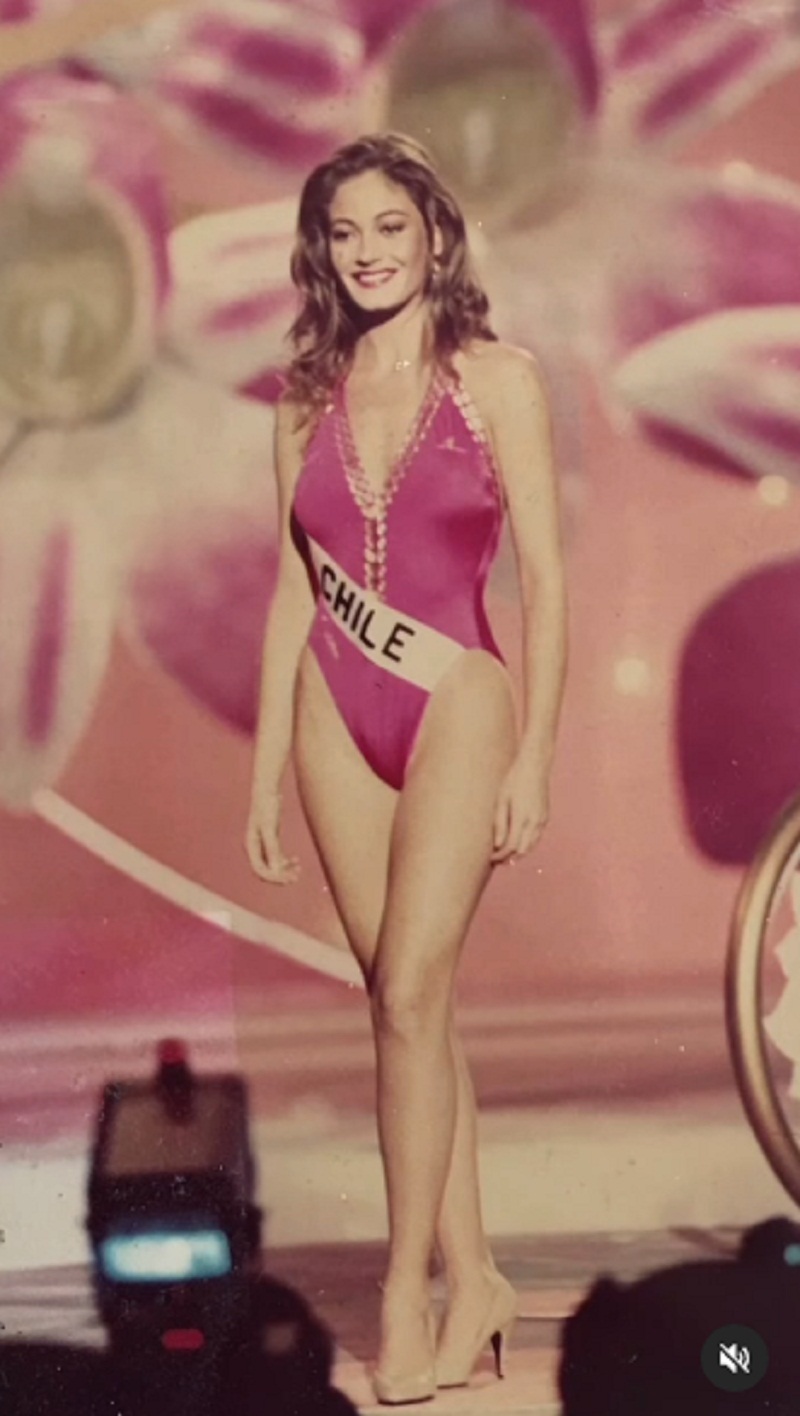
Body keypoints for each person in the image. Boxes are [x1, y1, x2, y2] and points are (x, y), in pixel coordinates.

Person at [246, 132, 567, 1405]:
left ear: (434, 236)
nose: (368, 252)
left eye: (390, 227)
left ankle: (405, 1291)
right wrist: (262, 771)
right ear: (320, 253)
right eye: (344, 233)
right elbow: (292, 589)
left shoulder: (498, 381)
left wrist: (534, 756)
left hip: (457, 702)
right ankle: (476, 1276)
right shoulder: (301, 398)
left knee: (410, 996)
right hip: (333, 706)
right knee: (402, 1004)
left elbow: (547, 579)